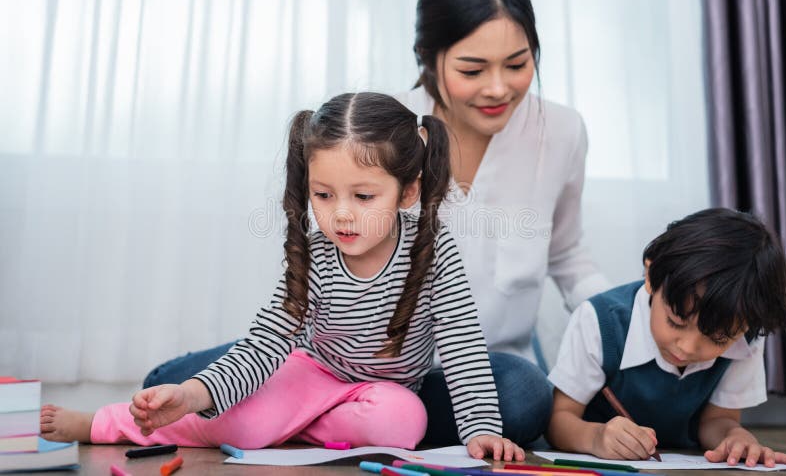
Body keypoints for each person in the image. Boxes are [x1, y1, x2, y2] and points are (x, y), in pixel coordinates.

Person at [141, 0, 608, 446]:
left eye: (517, 64)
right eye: (472, 69)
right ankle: (326, 417)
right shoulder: (385, 131)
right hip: (330, 357)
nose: (498, 88)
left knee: (523, 395)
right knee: (168, 389)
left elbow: (567, 254)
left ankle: (316, 421)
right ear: (428, 57)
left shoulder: (561, 132)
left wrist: (621, 321)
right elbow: (287, 316)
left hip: (442, 375)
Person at [39, 92, 525, 461]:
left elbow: (462, 345)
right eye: (324, 195)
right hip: (311, 372)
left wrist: (480, 428)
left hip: (383, 392)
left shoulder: (434, 252)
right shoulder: (317, 255)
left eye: (363, 196)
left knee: (402, 423)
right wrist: (189, 395)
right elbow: (266, 343)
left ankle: (284, 422)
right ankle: (102, 423)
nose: (341, 216)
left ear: (406, 193)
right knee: (244, 424)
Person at [546, 208, 786, 468]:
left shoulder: (745, 338)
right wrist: (595, 438)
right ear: (650, 276)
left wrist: (733, 436)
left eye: (718, 339)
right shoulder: (599, 322)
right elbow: (558, 420)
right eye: (676, 321)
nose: (687, 347)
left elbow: (716, 421)